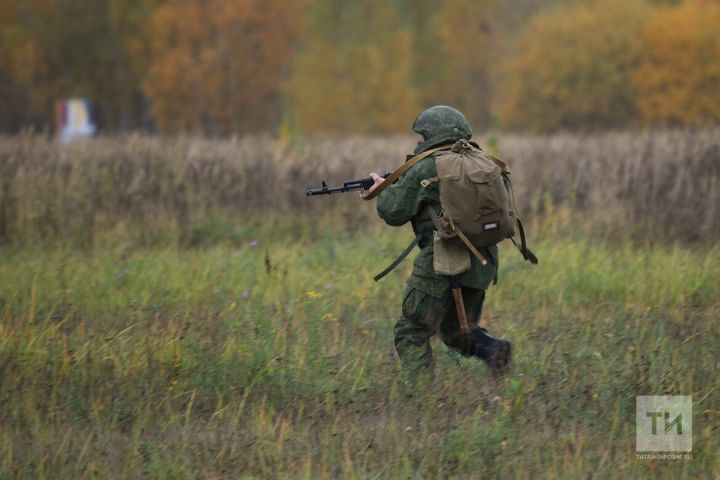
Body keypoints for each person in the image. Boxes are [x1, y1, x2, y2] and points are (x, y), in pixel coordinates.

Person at [367, 105, 511, 381]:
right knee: (458, 331)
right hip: (482, 259)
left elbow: (393, 211)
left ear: (432, 135)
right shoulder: (485, 161)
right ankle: (495, 350)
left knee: (411, 331)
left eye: (422, 137)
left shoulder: (427, 165)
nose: (420, 142)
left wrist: (381, 190)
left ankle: (422, 400)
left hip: (441, 259)